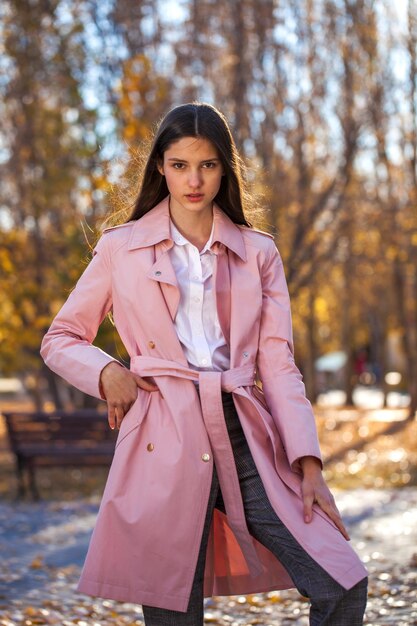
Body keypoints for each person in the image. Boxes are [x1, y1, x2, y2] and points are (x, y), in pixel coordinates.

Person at [40, 102, 368, 625]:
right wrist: (106, 371)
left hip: (245, 434)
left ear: (224, 169)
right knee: (173, 609)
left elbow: (278, 364)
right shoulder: (119, 249)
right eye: (179, 165)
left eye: (208, 165)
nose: (194, 180)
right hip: (161, 434)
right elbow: (61, 337)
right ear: (160, 169)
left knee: (342, 581)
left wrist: (308, 462)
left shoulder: (258, 252)